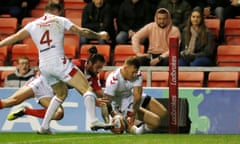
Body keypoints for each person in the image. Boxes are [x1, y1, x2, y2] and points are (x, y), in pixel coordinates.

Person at [0, 2, 112, 134]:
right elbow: (81, 31)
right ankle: (94, 120)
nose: (62, 13)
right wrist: (99, 35)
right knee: (86, 88)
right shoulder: (59, 20)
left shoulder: (32, 24)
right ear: (56, 10)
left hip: (44, 67)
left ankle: (44, 127)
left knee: (61, 93)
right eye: (61, 11)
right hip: (58, 62)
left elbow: (15, 37)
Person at [4, 47, 109, 125]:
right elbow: (80, 87)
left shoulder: (93, 76)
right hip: (41, 82)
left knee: (59, 114)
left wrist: (111, 118)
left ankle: (26, 111)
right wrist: (93, 100)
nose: (98, 71)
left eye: (101, 68)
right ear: (90, 63)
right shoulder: (76, 65)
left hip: (51, 92)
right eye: (97, 67)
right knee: (12, 101)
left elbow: (103, 97)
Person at [104, 56, 168, 134]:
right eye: (133, 72)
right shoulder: (113, 80)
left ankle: (135, 122)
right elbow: (106, 101)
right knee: (155, 121)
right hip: (123, 104)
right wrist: (113, 117)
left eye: (136, 72)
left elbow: (137, 96)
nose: (135, 75)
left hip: (132, 97)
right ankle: (135, 131)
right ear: (126, 68)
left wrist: (133, 113)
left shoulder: (137, 74)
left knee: (163, 112)